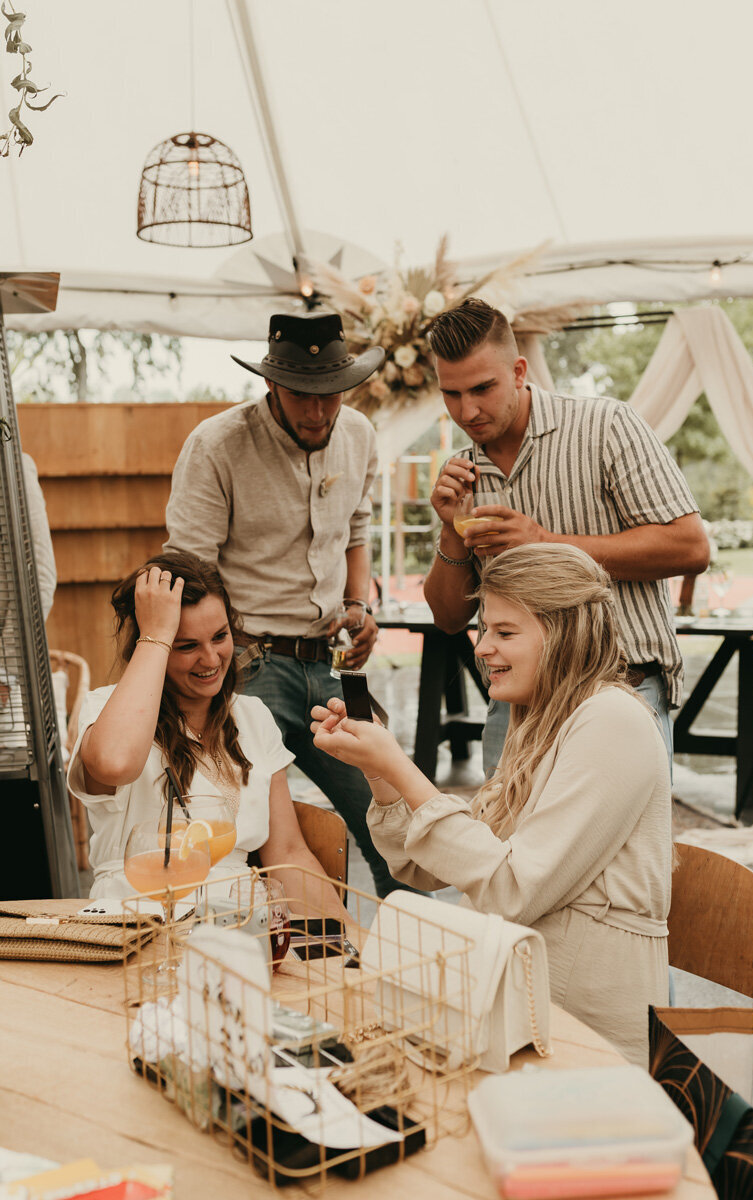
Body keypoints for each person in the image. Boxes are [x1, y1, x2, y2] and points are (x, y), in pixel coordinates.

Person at [312, 543, 672, 1066]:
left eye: (505, 632)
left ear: (566, 634)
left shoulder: (612, 721)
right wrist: (378, 772)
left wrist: (400, 768)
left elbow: (510, 889)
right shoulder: (536, 722)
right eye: (484, 630)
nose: (481, 647)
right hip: (502, 1000)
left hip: (580, 1033)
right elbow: (424, 869)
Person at [164, 311, 400, 897]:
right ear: (269, 383)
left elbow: (358, 529)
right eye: (301, 395)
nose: (318, 412)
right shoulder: (217, 445)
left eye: (331, 395)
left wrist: (358, 606)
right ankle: (275, 967)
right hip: (246, 667)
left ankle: (415, 967)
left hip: (330, 666)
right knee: (242, 839)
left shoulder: (361, 435)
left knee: (395, 824)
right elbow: (189, 571)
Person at [423, 298, 710, 776]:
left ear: (519, 371)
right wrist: (452, 534)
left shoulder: (607, 426)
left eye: (482, 388)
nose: (467, 410)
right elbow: (449, 619)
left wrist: (544, 541)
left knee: (618, 852)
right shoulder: (463, 473)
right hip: (515, 710)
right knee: (504, 849)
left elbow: (690, 547)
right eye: (451, 394)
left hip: (618, 692)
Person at [67, 550, 347, 921]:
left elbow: (289, 853)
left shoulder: (253, 716)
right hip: (136, 925)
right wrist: (155, 634)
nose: (212, 659)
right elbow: (115, 763)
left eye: (220, 637)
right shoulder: (105, 710)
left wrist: (346, 945)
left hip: (240, 927)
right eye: (186, 646)